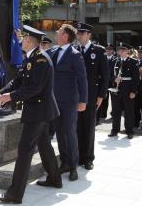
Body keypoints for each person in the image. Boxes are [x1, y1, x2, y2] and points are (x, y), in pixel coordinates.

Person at [0, 25, 61, 204]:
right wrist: (0, 94)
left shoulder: (41, 60)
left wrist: (9, 97)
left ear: (29, 41)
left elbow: (34, 88)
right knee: (44, 145)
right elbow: (17, 81)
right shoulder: (31, 58)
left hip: (38, 111)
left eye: (23, 39)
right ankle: (55, 178)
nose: (21, 41)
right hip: (40, 111)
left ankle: (15, 194)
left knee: (24, 151)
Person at [48, 24, 87, 181]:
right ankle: (64, 162)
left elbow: (82, 78)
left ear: (65, 36)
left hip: (70, 101)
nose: (57, 33)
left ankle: (73, 167)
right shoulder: (54, 51)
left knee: (70, 133)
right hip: (54, 100)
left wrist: (83, 100)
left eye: (59, 32)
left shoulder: (75, 54)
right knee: (59, 133)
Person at [75, 22, 109, 170]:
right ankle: (77, 156)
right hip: (75, 95)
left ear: (89, 34)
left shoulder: (99, 51)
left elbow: (105, 75)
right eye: (78, 33)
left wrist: (101, 95)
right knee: (76, 127)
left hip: (91, 95)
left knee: (88, 127)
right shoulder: (74, 50)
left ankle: (88, 158)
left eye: (82, 33)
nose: (79, 36)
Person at [108, 42, 139, 139]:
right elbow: (109, 75)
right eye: (120, 50)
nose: (121, 51)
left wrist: (133, 91)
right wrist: (114, 79)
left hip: (128, 89)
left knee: (129, 111)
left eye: (123, 50)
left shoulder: (133, 62)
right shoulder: (114, 61)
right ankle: (115, 130)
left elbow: (136, 78)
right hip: (116, 90)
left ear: (128, 51)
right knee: (116, 111)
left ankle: (129, 130)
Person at [97, 43, 116, 123]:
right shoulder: (102, 57)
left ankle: (114, 113)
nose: (108, 50)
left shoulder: (116, 59)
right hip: (103, 81)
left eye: (110, 49)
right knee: (103, 98)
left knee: (114, 99)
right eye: (107, 49)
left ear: (113, 51)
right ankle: (102, 114)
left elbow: (115, 71)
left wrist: (112, 79)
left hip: (112, 82)